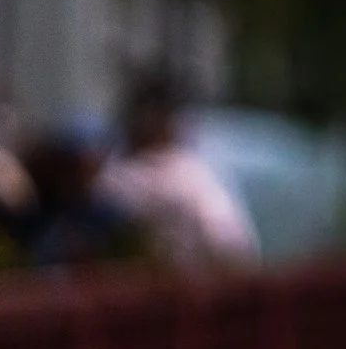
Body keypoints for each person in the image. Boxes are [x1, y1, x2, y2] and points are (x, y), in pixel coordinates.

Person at [95, 78, 259, 270]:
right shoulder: (191, 174)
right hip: (179, 287)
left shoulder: (112, 175)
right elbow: (232, 247)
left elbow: (229, 243)